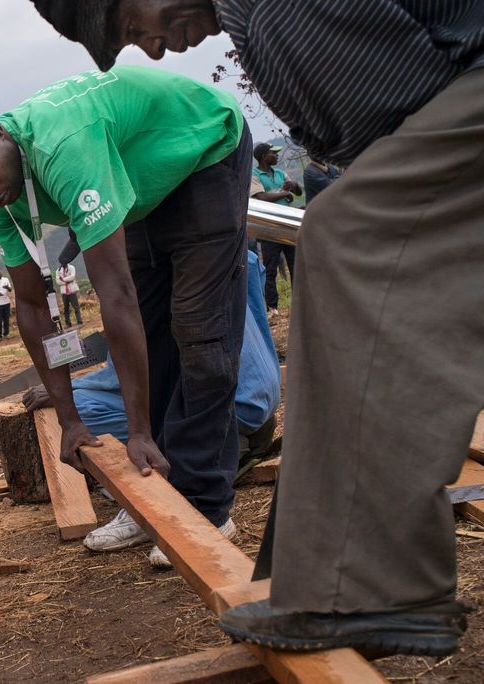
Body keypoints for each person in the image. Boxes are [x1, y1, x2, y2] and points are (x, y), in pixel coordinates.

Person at [29, 0, 482, 656]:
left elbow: (386, 123)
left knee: (349, 237)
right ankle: (336, 574)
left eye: (135, 28)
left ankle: (369, 588)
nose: (155, 49)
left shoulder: (276, 14)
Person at [0, 65, 252, 549]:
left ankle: (203, 505)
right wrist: (71, 418)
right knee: (155, 341)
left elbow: (115, 294)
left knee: (201, 335)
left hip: (202, 153)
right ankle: (153, 491)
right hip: (140, 187)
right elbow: (33, 306)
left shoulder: (63, 147)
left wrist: (136, 431)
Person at [25, 249, 281, 566]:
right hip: (259, 391)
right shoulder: (237, 249)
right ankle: (231, 442)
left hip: (227, 399)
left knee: (88, 411)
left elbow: (133, 374)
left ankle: (172, 490)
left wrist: (68, 394)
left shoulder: (141, 265)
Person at [252, 142, 302, 315]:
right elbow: (262, 197)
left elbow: (298, 193)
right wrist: (284, 194)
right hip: (268, 230)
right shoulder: (254, 175)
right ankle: (272, 307)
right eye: (273, 153)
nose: (277, 155)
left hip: (287, 227)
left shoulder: (281, 173)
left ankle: (299, 304)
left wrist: (294, 186)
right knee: (271, 268)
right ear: (265, 156)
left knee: (296, 266)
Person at [56, 258, 82, 327]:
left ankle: (79, 321)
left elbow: (73, 277)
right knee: (66, 308)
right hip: (64, 292)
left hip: (72, 291)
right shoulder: (58, 271)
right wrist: (68, 280)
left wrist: (63, 280)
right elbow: (58, 281)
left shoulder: (71, 267)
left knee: (76, 307)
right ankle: (68, 323)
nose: (63, 264)